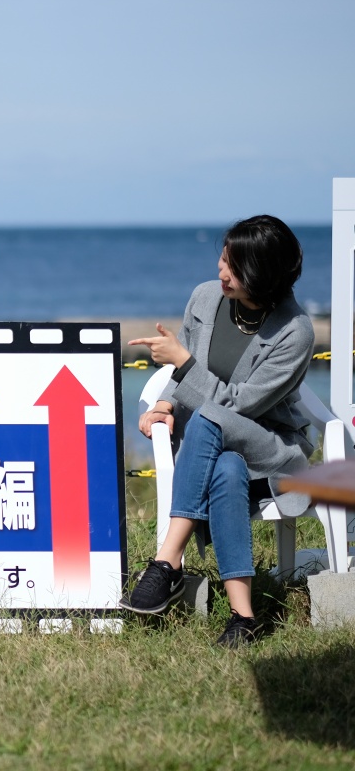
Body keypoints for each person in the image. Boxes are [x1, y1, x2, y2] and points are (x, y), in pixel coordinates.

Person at [120, 214, 313, 646]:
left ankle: (167, 561)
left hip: (270, 449)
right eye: (224, 258)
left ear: (263, 278)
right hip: (216, 451)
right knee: (225, 468)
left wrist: (183, 362)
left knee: (209, 417)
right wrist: (166, 403)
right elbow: (185, 380)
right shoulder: (205, 299)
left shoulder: (294, 332)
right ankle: (244, 618)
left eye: (236, 267)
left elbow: (239, 406)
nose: (223, 272)